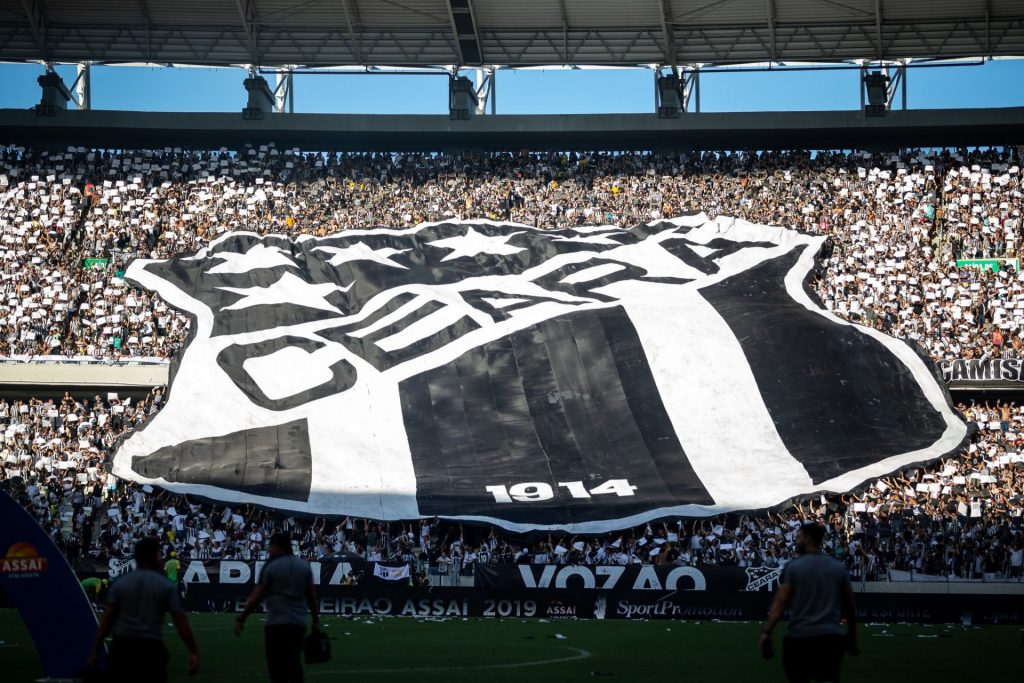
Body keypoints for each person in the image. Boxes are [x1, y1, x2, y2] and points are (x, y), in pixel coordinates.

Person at [87, 537, 199, 682]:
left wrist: (95, 652)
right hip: (151, 650)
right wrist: (193, 652)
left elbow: (107, 621)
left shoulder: (121, 584)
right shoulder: (165, 586)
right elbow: (181, 622)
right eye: (159, 553)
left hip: (122, 649)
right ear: (155, 556)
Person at [759, 523, 858, 683]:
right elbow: (850, 606)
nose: (796, 541)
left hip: (800, 638)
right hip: (831, 638)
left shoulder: (793, 567)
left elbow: (781, 602)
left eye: (799, 537)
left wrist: (767, 632)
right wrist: (852, 636)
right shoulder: (838, 568)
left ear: (808, 539)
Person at [235, 532, 320, 683]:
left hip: (277, 624)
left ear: (278, 547)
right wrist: (315, 620)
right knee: (294, 662)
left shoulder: (271, 566)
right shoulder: (303, 566)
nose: (269, 550)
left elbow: (256, 596)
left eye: (271, 547)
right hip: (298, 624)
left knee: (276, 666)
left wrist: (242, 618)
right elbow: (312, 597)